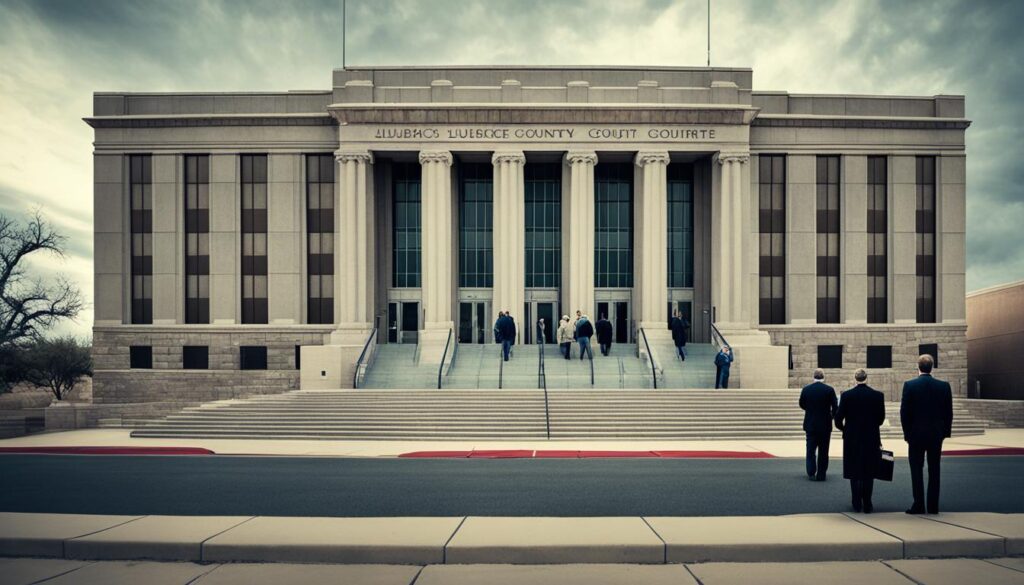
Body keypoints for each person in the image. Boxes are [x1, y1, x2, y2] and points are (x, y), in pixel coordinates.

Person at [900, 354, 953, 515]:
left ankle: (918, 504)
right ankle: (933, 506)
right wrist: (945, 433)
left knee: (916, 470)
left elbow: (904, 412)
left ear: (918, 367)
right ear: (932, 367)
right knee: (934, 469)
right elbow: (948, 413)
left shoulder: (910, 385)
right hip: (936, 435)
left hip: (915, 434)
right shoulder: (944, 386)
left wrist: (907, 433)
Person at [834, 368, 885, 513]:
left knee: (854, 468)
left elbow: (838, 419)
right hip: (871, 437)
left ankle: (856, 502)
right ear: (866, 378)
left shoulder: (847, 396)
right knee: (869, 469)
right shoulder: (877, 396)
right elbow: (880, 419)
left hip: (852, 438)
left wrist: (845, 430)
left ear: (855, 379)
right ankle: (867, 502)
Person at [800, 369, 838, 481]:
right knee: (824, 450)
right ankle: (821, 474)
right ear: (823, 377)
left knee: (810, 449)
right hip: (825, 425)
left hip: (811, 424)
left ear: (814, 377)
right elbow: (835, 407)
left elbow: (802, 404)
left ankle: (811, 471)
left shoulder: (806, 389)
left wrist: (810, 410)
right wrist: (830, 416)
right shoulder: (829, 390)